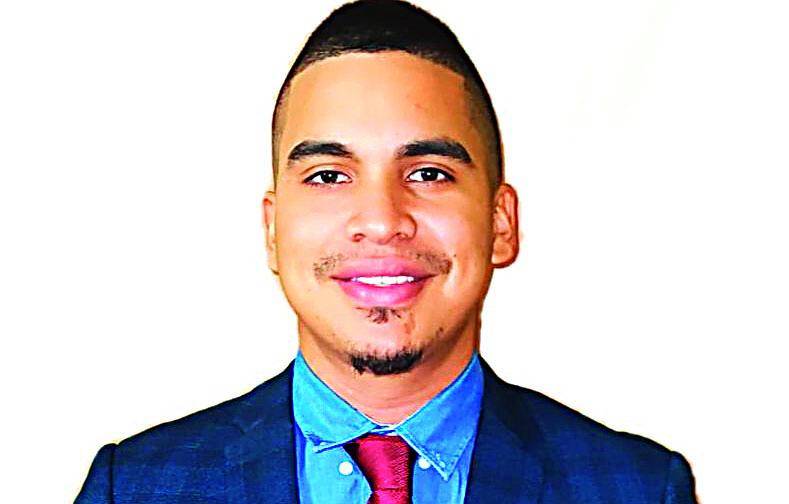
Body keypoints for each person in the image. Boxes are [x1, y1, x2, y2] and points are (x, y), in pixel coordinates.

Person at [75, 1, 697, 502]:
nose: (380, 221)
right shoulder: (134, 488)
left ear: (500, 223)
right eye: (328, 176)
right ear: (272, 230)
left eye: (428, 173)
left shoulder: (637, 490)